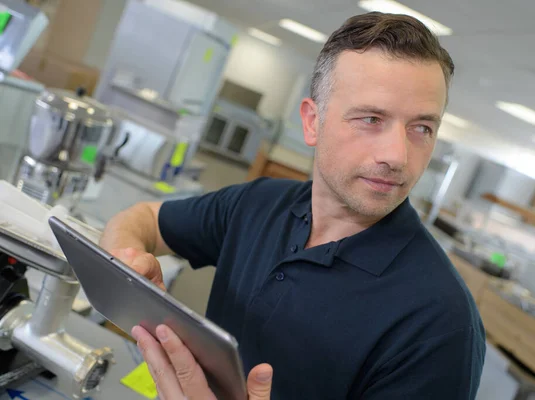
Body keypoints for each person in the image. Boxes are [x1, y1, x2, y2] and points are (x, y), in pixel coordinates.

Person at [101, 12, 486, 400]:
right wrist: (126, 263)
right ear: (312, 122)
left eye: (421, 128)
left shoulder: (441, 325)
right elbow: (144, 218)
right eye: (371, 118)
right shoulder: (257, 203)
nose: (398, 155)